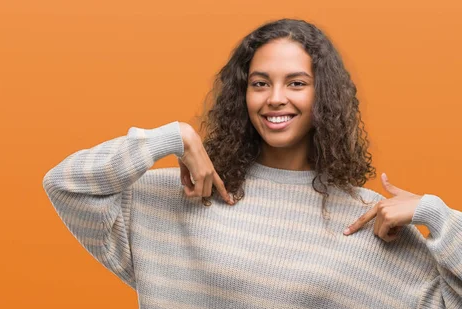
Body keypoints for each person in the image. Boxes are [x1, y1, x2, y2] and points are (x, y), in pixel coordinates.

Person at [42, 18, 462, 308]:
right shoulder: (188, 196)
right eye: (260, 83)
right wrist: (171, 137)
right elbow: (65, 184)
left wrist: (433, 213)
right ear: (243, 95)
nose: (275, 97)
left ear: (325, 98)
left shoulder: (364, 221)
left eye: (296, 83)